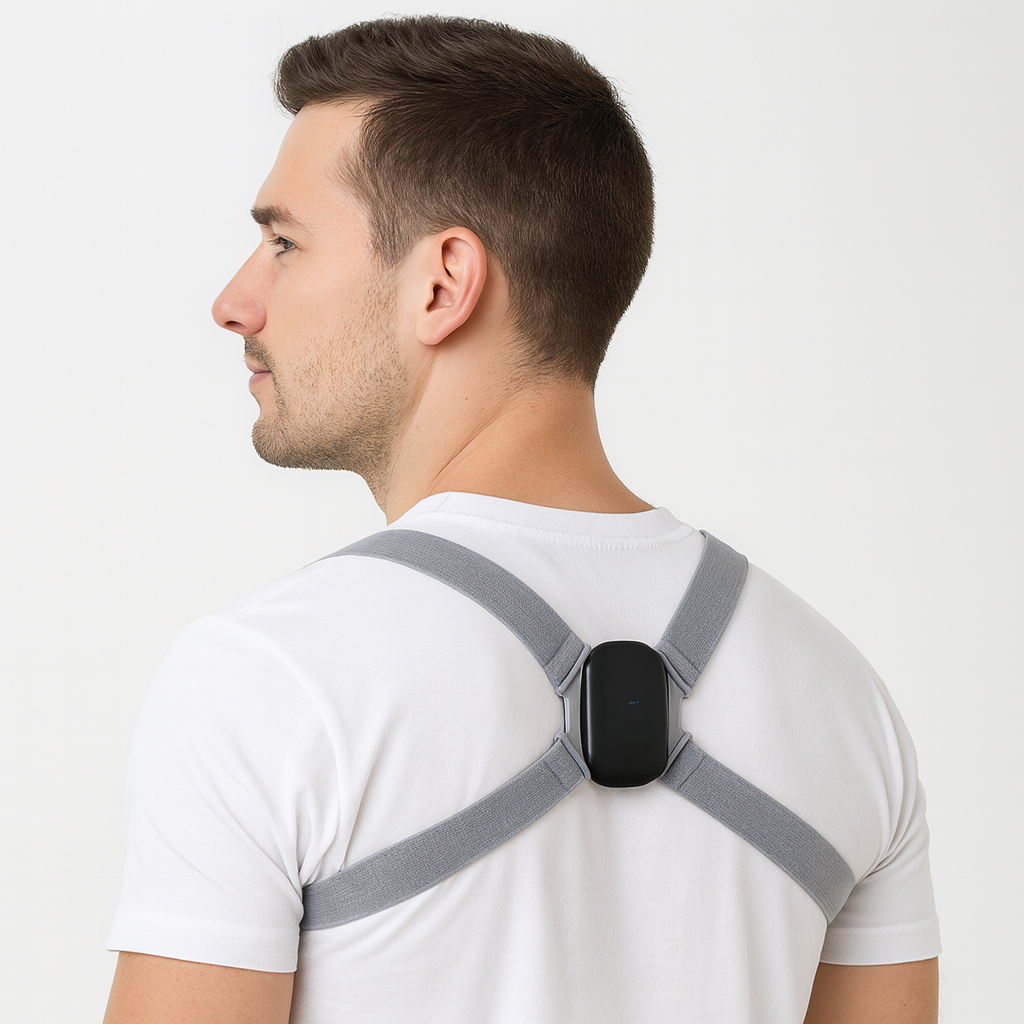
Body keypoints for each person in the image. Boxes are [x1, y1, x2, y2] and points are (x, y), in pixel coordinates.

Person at [103, 16, 940, 1024]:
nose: (234, 302)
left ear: (443, 282)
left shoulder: (268, 677)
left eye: (284, 243)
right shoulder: (845, 702)